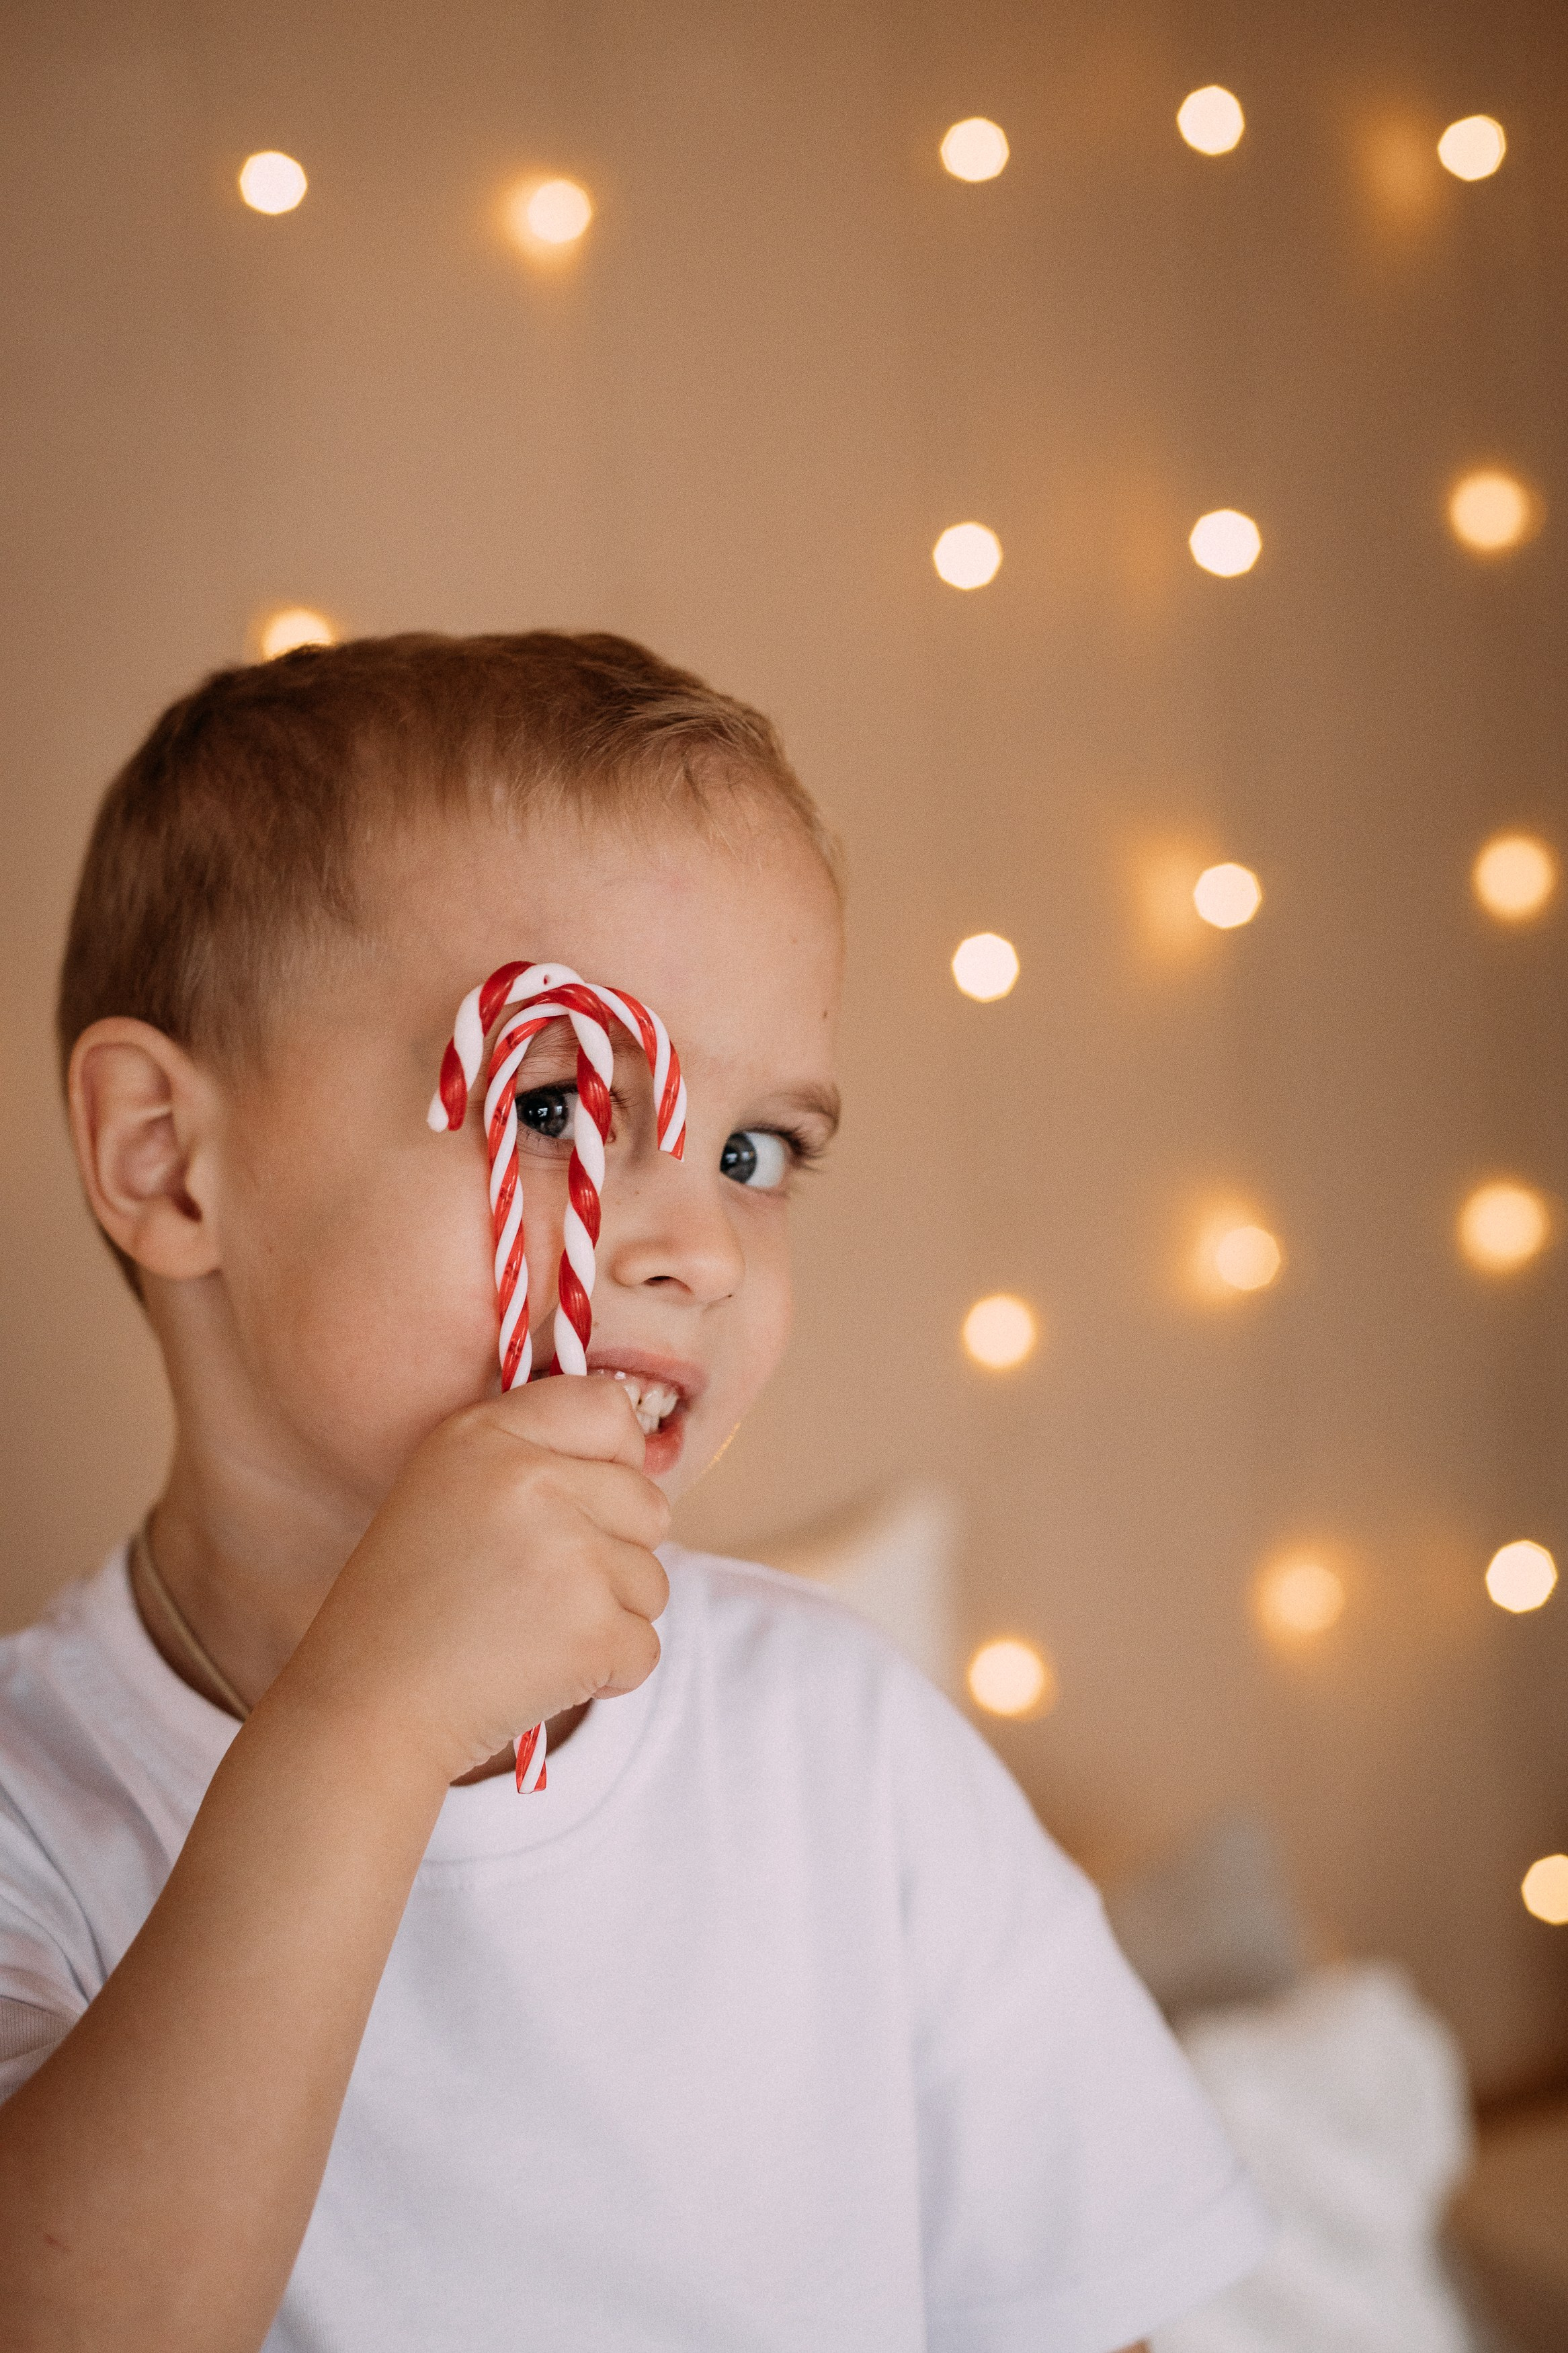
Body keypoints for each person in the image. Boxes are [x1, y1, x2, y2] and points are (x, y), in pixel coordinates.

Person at [0, 633, 1270, 2352]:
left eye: (757, 1153)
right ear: (166, 1156)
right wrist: (363, 1729)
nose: (692, 1247)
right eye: (552, 1106)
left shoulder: (845, 1747)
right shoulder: (32, 1818)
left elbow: (1089, 2313)